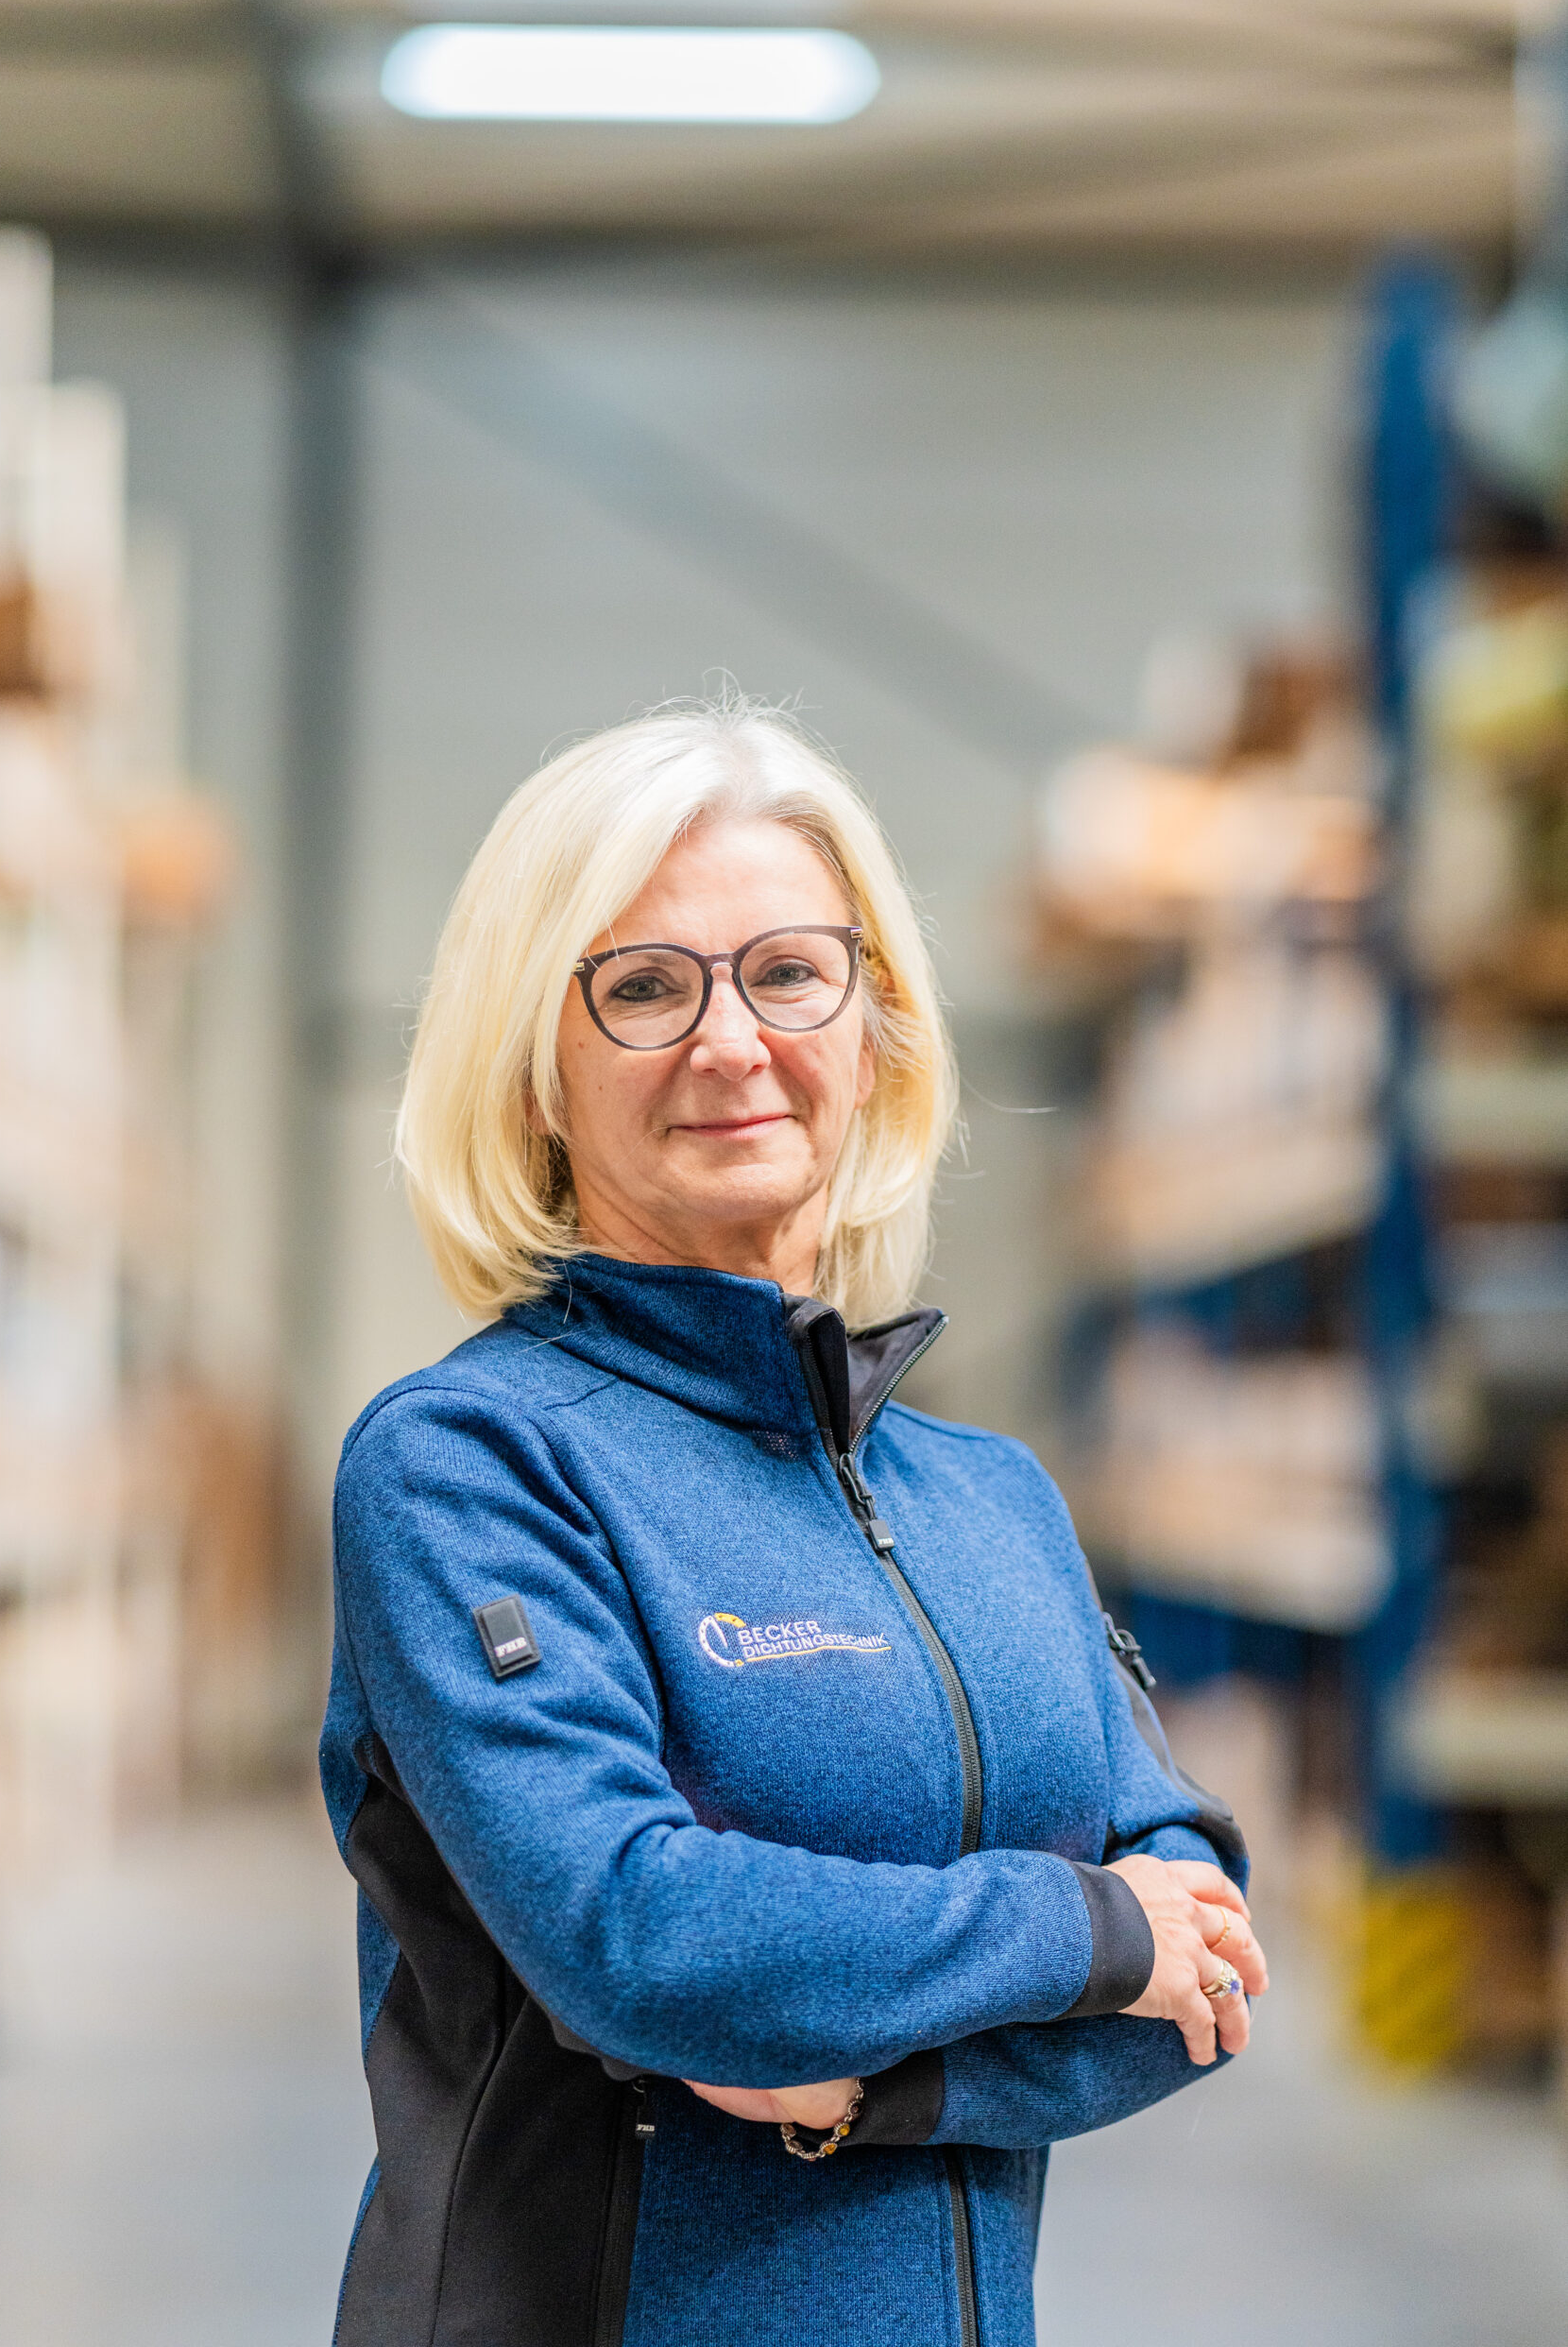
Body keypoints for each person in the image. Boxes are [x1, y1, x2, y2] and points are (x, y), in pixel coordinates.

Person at [320, 697, 1268, 2347]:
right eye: (642, 987)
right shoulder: (470, 1465)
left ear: (877, 1023)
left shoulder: (994, 1500)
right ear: (534, 1071)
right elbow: (639, 1934)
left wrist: (860, 2085)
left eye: (787, 971)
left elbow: (1203, 1952)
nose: (729, 1041)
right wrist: (1081, 1930)